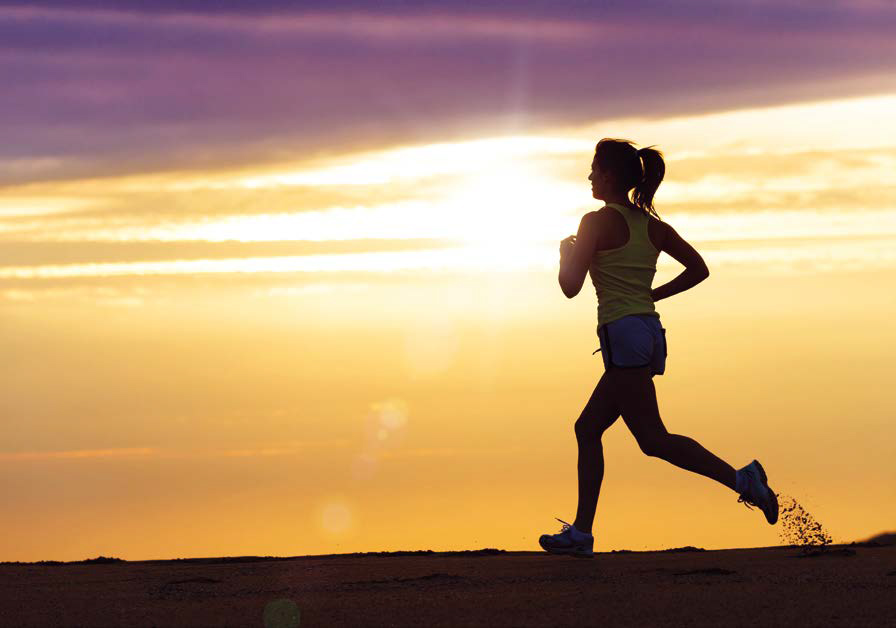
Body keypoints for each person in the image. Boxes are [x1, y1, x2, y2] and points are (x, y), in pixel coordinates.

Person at [539, 138, 778, 558]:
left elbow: (570, 288)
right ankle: (581, 532)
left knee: (653, 438)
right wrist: (652, 296)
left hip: (623, 335)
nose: (590, 176)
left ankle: (744, 481)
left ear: (610, 175)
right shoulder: (652, 226)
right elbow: (698, 269)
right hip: (649, 333)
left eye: (595, 168)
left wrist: (565, 254)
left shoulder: (593, 222)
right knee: (593, 429)